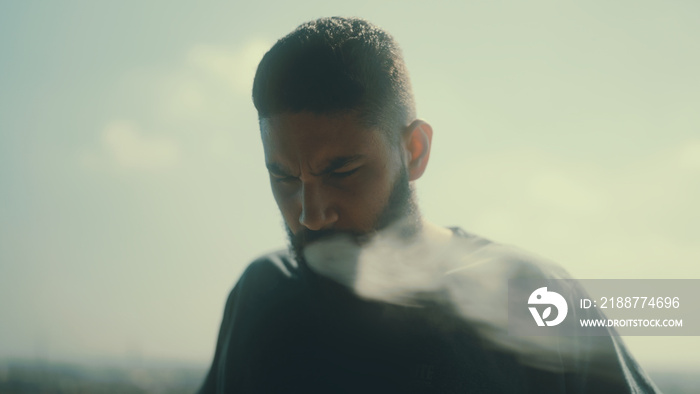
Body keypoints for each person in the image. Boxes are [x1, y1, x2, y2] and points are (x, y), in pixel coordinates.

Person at [198, 17, 659, 393]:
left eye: (341, 172)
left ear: (414, 151)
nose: (311, 214)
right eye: (283, 177)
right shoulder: (259, 296)